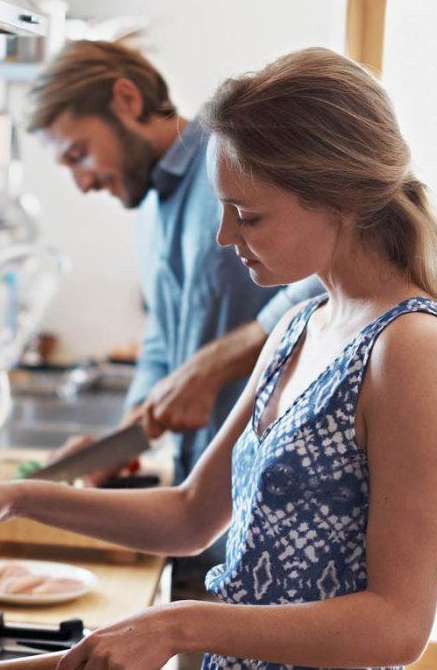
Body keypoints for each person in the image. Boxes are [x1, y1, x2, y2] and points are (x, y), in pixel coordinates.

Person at [0, 47, 437, 670]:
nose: (225, 236)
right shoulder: (298, 327)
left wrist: (179, 625)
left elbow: (397, 625)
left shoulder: (412, 346)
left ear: (337, 195)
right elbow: (188, 516)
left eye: (249, 215)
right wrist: (16, 497)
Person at [26, 40, 323, 594]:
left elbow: (325, 281)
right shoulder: (147, 208)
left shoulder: (234, 161)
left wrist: (215, 365)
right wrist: (124, 435)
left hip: (272, 508)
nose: (81, 182)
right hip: (197, 514)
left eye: (78, 154)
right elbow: (164, 336)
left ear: (127, 99)